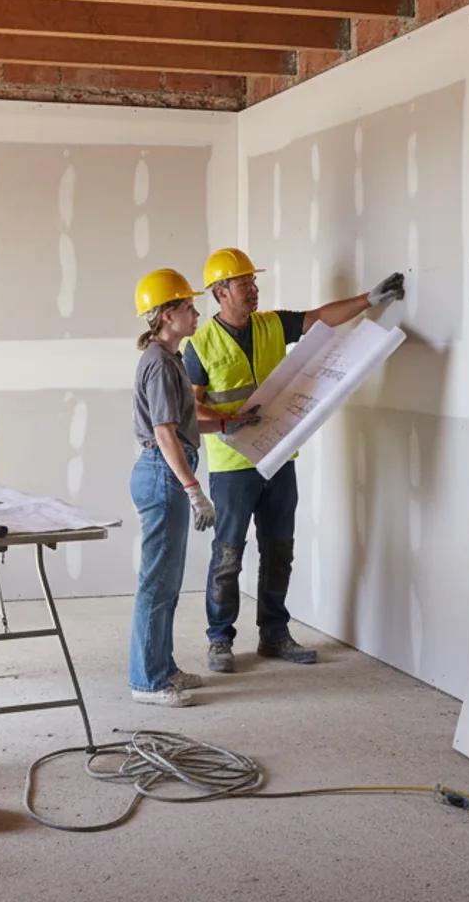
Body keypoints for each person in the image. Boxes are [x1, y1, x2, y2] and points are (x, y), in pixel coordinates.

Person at [184, 247, 404, 674]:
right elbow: (192, 410)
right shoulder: (200, 344)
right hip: (232, 467)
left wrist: (368, 301)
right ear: (220, 292)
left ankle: (274, 633)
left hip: (279, 455)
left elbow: (319, 317)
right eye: (244, 284)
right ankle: (219, 639)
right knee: (229, 554)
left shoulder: (270, 325)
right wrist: (229, 420)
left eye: (254, 282)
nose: (253, 290)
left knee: (279, 549)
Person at [126, 268, 255, 707]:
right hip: (164, 473)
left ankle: (162, 668)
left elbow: (183, 420)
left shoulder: (172, 358)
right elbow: (165, 433)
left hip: (166, 471)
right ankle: (147, 681)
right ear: (165, 315)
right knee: (157, 582)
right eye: (186, 306)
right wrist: (193, 488)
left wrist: (226, 423)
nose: (195, 312)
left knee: (168, 581)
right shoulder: (160, 363)